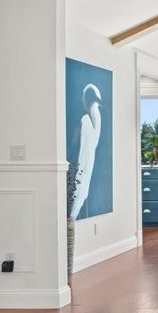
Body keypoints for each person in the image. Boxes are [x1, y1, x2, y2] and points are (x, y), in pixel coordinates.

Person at [71, 83, 103, 220]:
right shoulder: (88, 120)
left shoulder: (88, 120)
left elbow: (77, 145)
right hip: (81, 174)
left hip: (82, 173)